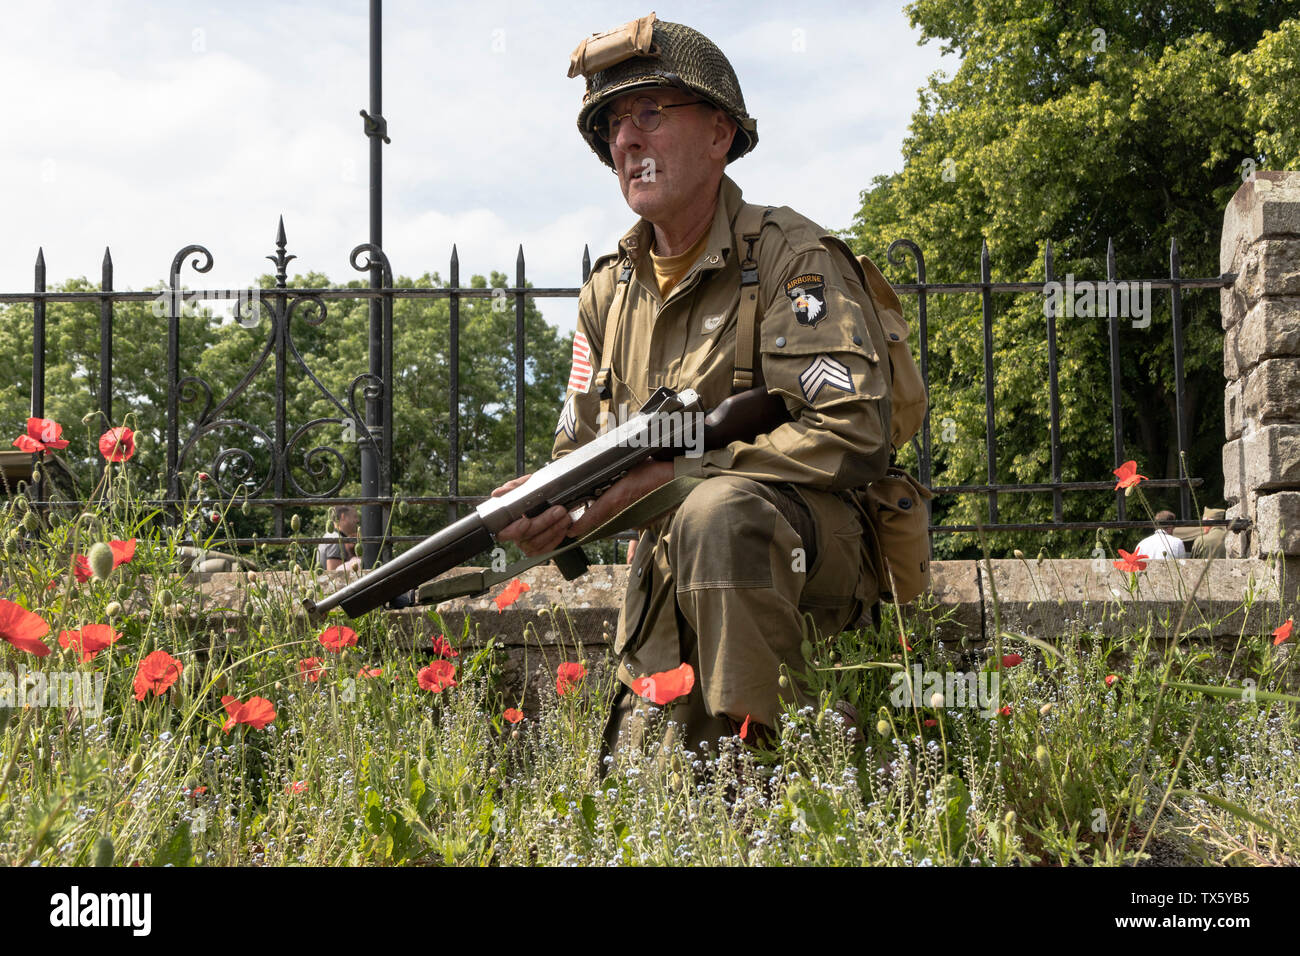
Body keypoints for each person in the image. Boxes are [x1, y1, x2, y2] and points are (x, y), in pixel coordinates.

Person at [493, 14, 890, 754]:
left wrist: (684, 472)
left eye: (649, 112)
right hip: (671, 573)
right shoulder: (607, 294)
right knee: (648, 803)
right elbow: (578, 454)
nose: (626, 140)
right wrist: (543, 510)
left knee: (718, 510)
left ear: (720, 134)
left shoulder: (791, 259)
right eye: (613, 122)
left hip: (806, 560)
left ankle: (767, 776)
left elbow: (855, 431)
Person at [317, 505, 362, 573]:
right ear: (343, 516)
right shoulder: (336, 540)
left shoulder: (332, 536)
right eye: (355, 516)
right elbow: (335, 575)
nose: (357, 520)